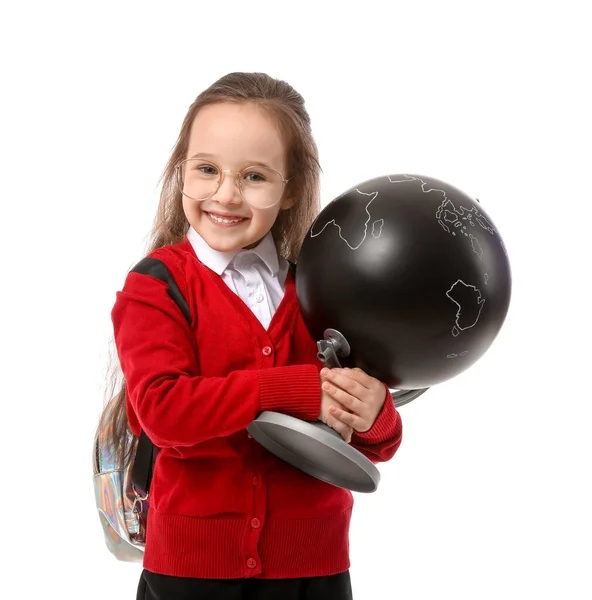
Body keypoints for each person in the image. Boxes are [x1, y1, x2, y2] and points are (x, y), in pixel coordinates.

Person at [108, 72, 403, 600]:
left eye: (254, 177)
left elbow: (377, 443)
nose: (225, 194)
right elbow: (162, 410)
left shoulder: (321, 290)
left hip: (314, 570)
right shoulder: (155, 286)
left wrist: (377, 411)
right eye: (206, 170)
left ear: (289, 189)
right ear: (181, 173)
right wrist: (293, 390)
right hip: (190, 575)